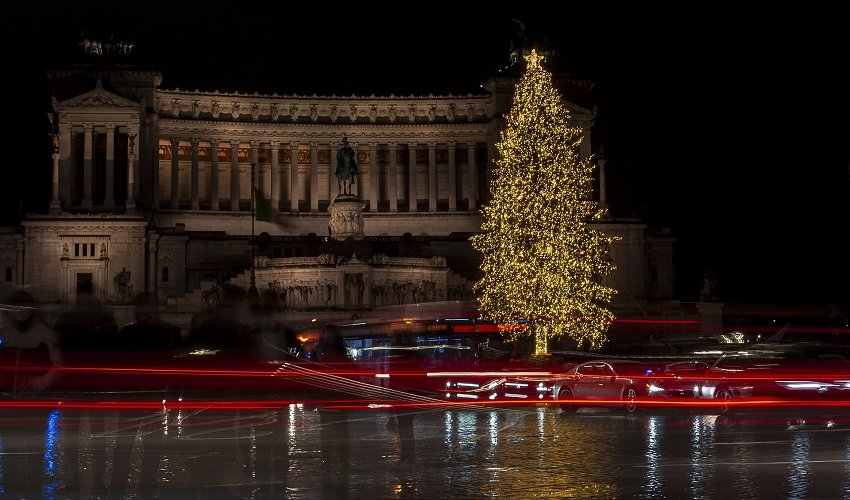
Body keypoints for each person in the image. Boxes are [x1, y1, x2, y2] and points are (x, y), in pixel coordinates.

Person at [0, 289, 64, 394]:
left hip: (35, 395)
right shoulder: (3, 334)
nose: (21, 312)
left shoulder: (46, 335)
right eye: (17, 308)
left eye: (24, 308)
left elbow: (58, 366)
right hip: (5, 395)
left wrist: (37, 384)